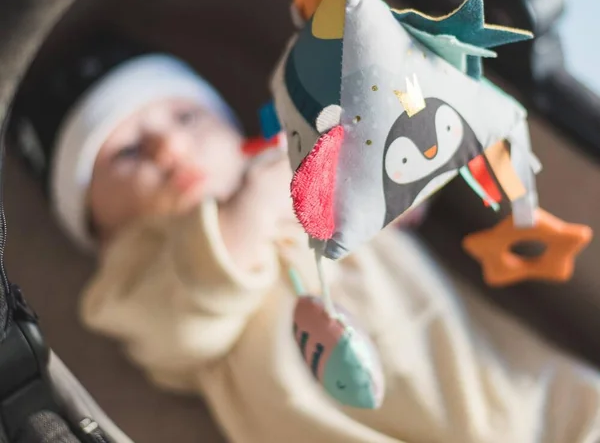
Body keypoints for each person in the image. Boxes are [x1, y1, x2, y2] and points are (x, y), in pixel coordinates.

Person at [11, 31, 600, 443]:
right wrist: (252, 206)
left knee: (552, 402)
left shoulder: (292, 158)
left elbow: (394, 174)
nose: (171, 148)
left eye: (187, 117)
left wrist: (392, 192)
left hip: (486, 374)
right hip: (350, 423)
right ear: (95, 223)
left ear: (230, 125)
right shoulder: (133, 273)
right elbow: (178, 326)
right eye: (128, 153)